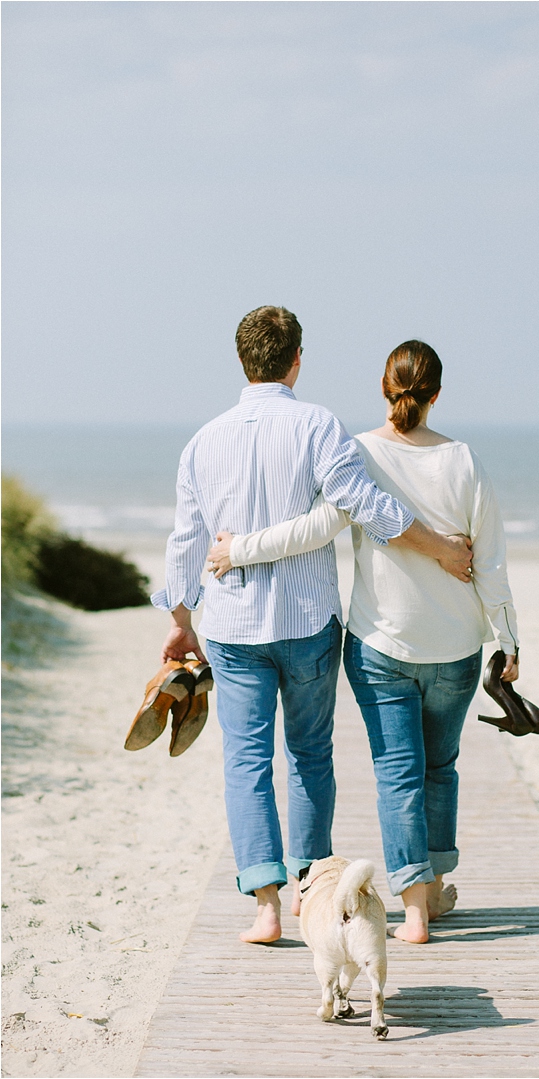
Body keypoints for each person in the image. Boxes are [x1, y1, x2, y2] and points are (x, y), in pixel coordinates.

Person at [152, 309, 473, 944]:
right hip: (307, 623)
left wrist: (180, 618)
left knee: (245, 759)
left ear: (243, 361)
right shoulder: (317, 425)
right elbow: (361, 502)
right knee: (309, 753)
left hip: (233, 625)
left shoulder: (203, 441)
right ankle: (309, 888)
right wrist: (440, 547)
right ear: (296, 359)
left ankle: (265, 908)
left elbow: (187, 538)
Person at [209, 339, 520, 944]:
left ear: (386, 389)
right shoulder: (464, 460)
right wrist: (508, 641)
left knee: (397, 772)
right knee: (440, 767)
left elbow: (315, 528)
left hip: (379, 643)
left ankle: (415, 912)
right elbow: (493, 563)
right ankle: (431, 888)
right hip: (456, 645)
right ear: (434, 395)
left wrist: (236, 550)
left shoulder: (357, 454)